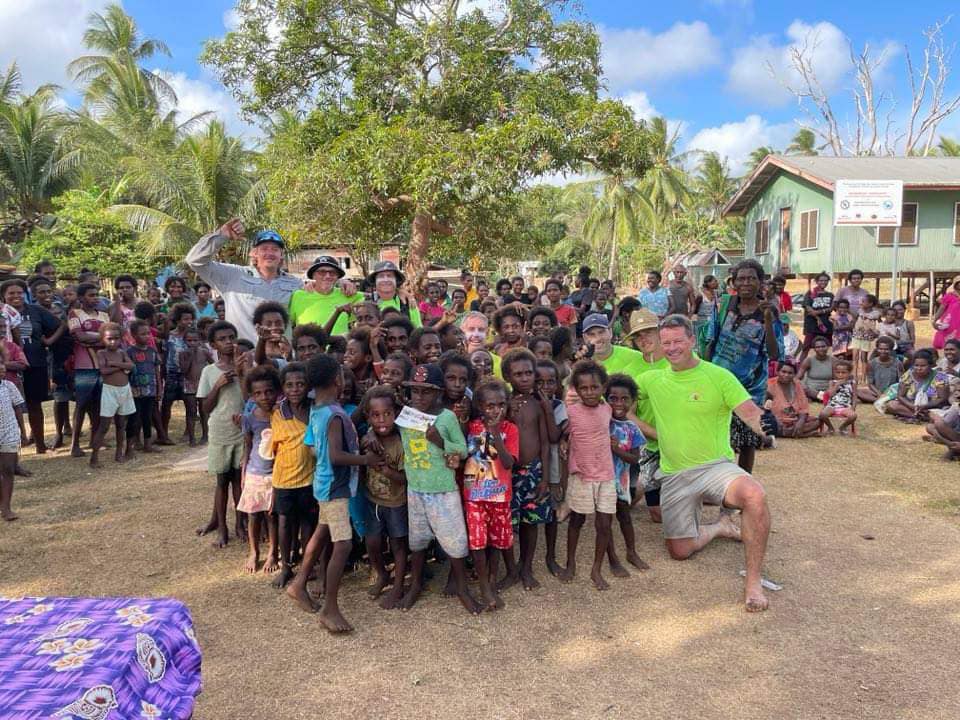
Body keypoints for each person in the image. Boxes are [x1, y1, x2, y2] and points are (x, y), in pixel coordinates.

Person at [637, 314, 771, 611]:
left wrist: (768, 427)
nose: (672, 348)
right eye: (666, 342)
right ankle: (720, 526)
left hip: (715, 468)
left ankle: (753, 582)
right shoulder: (651, 379)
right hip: (674, 474)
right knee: (680, 551)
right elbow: (619, 401)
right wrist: (651, 432)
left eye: (678, 341)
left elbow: (751, 413)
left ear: (692, 340)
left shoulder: (718, 376)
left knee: (754, 494)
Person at [286, 355, 376, 633]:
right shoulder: (335, 415)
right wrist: (366, 460)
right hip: (335, 487)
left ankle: (299, 584)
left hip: (323, 482)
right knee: (343, 545)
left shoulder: (318, 409)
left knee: (322, 531)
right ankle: (330, 608)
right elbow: (336, 456)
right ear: (337, 380)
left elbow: (314, 447)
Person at [395, 363, 478, 614]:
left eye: (426, 391)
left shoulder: (447, 417)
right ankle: (415, 585)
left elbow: (462, 450)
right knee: (417, 541)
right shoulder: (407, 415)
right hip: (416, 489)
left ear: (438, 392)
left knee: (455, 543)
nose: (419, 397)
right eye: (415, 391)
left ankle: (462, 588)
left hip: (442, 490)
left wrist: (439, 440)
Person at [704, 260, 781, 473]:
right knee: (716, 435)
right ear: (734, 282)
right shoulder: (723, 305)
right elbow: (710, 340)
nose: (746, 283)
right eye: (741, 278)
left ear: (760, 282)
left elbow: (775, 353)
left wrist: (767, 321)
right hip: (718, 381)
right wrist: (704, 374)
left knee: (747, 440)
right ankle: (718, 482)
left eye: (751, 278)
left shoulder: (769, 311)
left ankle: (744, 483)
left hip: (750, 387)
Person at [186, 219, 302, 342]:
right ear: (254, 253)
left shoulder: (295, 284)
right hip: (244, 352)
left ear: (281, 254)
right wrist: (222, 235)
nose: (269, 253)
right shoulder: (234, 275)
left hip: (282, 353)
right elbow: (194, 260)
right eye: (264, 249)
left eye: (275, 249)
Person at [559, 360, 617, 591]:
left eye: (595, 387)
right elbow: (563, 436)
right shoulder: (571, 413)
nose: (590, 392)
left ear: (603, 387)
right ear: (576, 389)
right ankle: (570, 563)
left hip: (606, 475)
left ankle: (596, 569)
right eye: (584, 388)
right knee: (577, 520)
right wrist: (564, 444)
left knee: (604, 524)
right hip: (581, 476)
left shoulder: (607, 409)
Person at [464, 379, 519, 611]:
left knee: (497, 541)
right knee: (477, 542)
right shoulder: (471, 426)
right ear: (480, 406)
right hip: (474, 495)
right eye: (490, 406)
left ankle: (493, 578)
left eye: (501, 405)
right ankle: (484, 585)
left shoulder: (510, 429)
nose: (496, 410)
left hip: (500, 496)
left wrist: (496, 435)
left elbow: (508, 463)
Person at [500, 348, 551, 591]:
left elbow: (545, 442)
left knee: (531, 522)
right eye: (518, 374)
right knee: (507, 522)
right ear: (507, 377)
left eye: (528, 373)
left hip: (533, 471)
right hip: (506, 473)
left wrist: (545, 478)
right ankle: (511, 570)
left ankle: (526, 566)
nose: (524, 378)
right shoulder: (502, 404)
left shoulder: (537, 404)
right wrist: (507, 411)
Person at [357, 386, 408, 609]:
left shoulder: (401, 442)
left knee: (398, 544)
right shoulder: (368, 438)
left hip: (396, 503)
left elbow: (406, 478)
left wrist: (386, 471)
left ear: (395, 414)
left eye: (387, 414)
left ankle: (398, 585)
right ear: (368, 417)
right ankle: (382, 574)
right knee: (372, 542)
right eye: (375, 415)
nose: (382, 420)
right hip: (373, 501)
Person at [196, 321, 245, 549]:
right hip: (220, 431)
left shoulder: (245, 366)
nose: (228, 342)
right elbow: (205, 407)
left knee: (239, 480)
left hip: (242, 431)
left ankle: (240, 523)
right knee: (222, 481)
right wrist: (218, 385)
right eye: (222, 339)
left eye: (231, 337)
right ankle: (222, 527)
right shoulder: (209, 371)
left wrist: (243, 373)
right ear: (213, 344)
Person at [268, 362, 316, 589]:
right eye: (289, 385)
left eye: (300, 384)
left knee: (308, 522)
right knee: (285, 523)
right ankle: (286, 566)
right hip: (284, 480)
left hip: (310, 478)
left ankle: (307, 564)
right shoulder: (278, 413)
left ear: (308, 386)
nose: (295, 389)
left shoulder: (315, 409)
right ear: (283, 388)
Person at [622, 309, 670, 523]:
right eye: (638, 336)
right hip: (650, 446)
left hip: (684, 443)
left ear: (660, 332)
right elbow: (626, 413)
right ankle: (640, 485)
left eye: (648, 332)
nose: (643, 339)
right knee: (657, 515)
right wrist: (658, 435)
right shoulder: (630, 371)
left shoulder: (679, 360)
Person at [9, 278, 62, 454]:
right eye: (11, 293)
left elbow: (60, 325)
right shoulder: (2, 312)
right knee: (8, 406)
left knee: (34, 404)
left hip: (35, 363)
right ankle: (13, 446)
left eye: (19, 292)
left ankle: (40, 444)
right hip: (8, 367)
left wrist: (49, 341)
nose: (16, 296)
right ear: (3, 296)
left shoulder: (36, 311)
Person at [238, 364, 280, 574]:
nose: (264, 397)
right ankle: (254, 551)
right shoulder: (250, 418)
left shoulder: (282, 416)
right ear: (252, 396)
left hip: (276, 475)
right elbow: (248, 446)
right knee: (253, 515)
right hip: (255, 473)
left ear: (277, 391)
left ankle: (273, 552)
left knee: (272, 516)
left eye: (269, 391)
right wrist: (244, 473)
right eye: (258, 393)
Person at [605, 373, 649, 574]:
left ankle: (631, 552)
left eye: (624, 399)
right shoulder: (601, 422)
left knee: (624, 516)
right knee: (605, 520)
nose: (618, 403)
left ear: (632, 401)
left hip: (621, 481)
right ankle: (612, 558)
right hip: (602, 480)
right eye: (613, 398)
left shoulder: (632, 429)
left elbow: (634, 459)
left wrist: (617, 450)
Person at [68, 283, 109, 458]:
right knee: (82, 404)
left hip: (102, 365)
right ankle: (75, 444)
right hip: (83, 366)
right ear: (81, 298)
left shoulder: (105, 315)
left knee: (99, 403)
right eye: (91, 295)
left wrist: (90, 339)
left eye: (96, 294)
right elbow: (79, 336)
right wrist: (102, 338)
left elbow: (109, 339)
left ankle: (95, 439)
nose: (95, 298)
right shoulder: (74, 314)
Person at [535, 358, 567, 576]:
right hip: (530, 467)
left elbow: (555, 436)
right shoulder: (525, 403)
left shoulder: (557, 406)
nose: (545, 387)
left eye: (550, 382)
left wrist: (547, 410)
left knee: (552, 513)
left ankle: (550, 556)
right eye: (540, 382)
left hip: (552, 468)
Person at [89, 323, 135, 468]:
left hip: (124, 390)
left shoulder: (122, 352)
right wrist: (122, 366)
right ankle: (94, 457)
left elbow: (131, 366)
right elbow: (103, 371)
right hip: (109, 391)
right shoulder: (101, 353)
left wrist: (114, 364)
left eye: (116, 338)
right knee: (104, 426)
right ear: (103, 339)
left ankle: (119, 453)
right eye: (109, 339)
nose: (113, 342)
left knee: (121, 424)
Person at [125, 320, 161, 456]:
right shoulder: (129, 352)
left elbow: (157, 372)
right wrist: (128, 389)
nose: (147, 336)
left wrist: (159, 389)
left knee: (147, 418)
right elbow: (126, 373)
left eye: (148, 333)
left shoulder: (152, 351)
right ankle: (129, 447)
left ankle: (147, 444)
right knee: (133, 419)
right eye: (143, 334)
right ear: (134, 335)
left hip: (150, 391)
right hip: (135, 391)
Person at [885, 349, 950, 422]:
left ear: (930, 365)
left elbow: (942, 399)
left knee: (941, 414)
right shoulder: (908, 375)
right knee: (892, 405)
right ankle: (921, 417)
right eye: (916, 365)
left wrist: (925, 406)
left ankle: (922, 416)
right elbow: (900, 396)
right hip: (912, 406)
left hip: (932, 408)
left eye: (923, 366)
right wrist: (913, 406)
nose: (919, 368)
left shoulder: (940, 377)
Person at [765, 362, 819, 438]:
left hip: (794, 420)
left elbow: (803, 407)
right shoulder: (769, 385)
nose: (786, 375)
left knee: (818, 421)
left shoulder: (797, 384)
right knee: (770, 425)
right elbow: (764, 408)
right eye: (783, 372)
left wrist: (800, 422)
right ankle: (801, 434)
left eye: (790, 373)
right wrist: (775, 420)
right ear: (777, 372)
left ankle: (791, 433)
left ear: (794, 375)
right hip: (776, 421)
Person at [0, 349, 24, 521]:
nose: (2, 367)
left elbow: (17, 408)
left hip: (9, 432)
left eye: (2, 363)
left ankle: (6, 507)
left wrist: (23, 431)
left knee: (8, 469)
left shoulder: (9, 386)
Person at [367, 260, 422, 327]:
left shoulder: (407, 302)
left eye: (389, 276)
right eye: (381, 276)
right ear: (375, 281)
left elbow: (418, 329)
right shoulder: (367, 302)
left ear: (396, 280)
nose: (386, 280)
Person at [799, 272, 834, 362]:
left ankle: (826, 366)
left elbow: (832, 308)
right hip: (812, 325)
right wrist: (818, 318)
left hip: (826, 326)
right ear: (817, 281)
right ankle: (800, 366)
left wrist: (819, 312)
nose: (823, 282)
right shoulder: (810, 293)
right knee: (806, 347)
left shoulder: (830, 295)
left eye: (826, 280)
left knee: (827, 347)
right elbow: (808, 309)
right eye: (821, 280)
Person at [857, 336, 903, 404]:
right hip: (877, 391)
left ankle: (883, 400)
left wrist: (891, 393)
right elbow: (870, 384)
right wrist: (879, 394)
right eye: (880, 349)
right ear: (877, 349)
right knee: (857, 391)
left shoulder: (897, 363)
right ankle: (883, 400)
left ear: (891, 350)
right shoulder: (871, 364)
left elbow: (901, 382)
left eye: (886, 349)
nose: (883, 351)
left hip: (892, 392)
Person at [818, 360, 858, 435]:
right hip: (832, 406)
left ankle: (842, 427)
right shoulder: (832, 382)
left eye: (843, 372)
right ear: (835, 372)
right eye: (838, 372)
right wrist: (837, 385)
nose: (840, 374)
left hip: (845, 407)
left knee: (853, 416)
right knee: (822, 414)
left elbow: (854, 397)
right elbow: (830, 395)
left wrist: (853, 407)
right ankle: (830, 428)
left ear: (849, 373)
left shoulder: (852, 383)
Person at [851, 294, 880, 384]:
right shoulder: (859, 311)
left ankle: (863, 377)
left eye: (863, 301)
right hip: (856, 336)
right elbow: (855, 320)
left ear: (870, 304)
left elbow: (879, 322)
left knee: (864, 357)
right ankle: (855, 377)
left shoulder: (875, 313)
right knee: (855, 356)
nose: (861, 303)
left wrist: (876, 332)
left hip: (866, 338)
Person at [798, 336, 834, 401]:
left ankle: (821, 397)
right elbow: (798, 376)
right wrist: (801, 385)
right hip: (811, 391)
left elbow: (838, 379)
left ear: (828, 347)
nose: (821, 349)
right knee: (799, 386)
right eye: (818, 347)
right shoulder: (809, 360)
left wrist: (831, 389)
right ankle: (821, 397)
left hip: (827, 390)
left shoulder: (834, 360)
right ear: (814, 349)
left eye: (823, 346)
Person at [693, 275, 720, 353]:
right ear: (708, 283)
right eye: (715, 281)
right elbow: (695, 310)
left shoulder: (715, 293)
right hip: (701, 321)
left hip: (711, 321)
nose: (717, 283)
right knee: (700, 341)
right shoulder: (701, 295)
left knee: (709, 341)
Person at [933, 277, 960, 350]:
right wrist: (935, 320)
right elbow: (941, 309)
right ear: (955, 284)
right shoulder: (949, 295)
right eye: (958, 283)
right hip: (951, 324)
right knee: (950, 344)